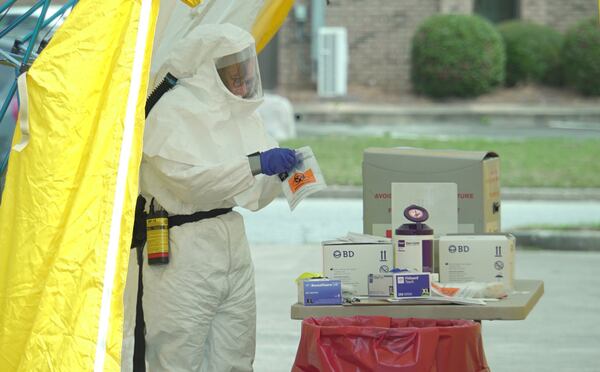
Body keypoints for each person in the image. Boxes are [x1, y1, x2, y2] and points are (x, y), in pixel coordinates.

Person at [135, 23, 297, 371]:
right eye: (233, 75)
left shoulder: (240, 116)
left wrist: (280, 176)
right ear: (209, 70)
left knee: (236, 352)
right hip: (183, 247)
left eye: (246, 73)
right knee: (179, 353)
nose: (241, 84)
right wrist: (256, 165)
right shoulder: (171, 113)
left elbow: (248, 194)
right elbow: (190, 184)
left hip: (231, 242)